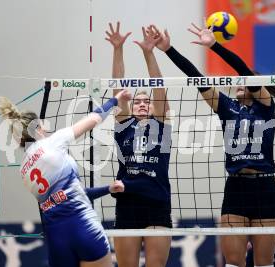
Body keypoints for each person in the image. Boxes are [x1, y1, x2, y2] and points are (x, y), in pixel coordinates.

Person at [150, 21, 275, 267]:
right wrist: (168, 49)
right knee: (233, 261)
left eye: (244, 81)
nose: (238, 83)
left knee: (264, 263)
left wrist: (214, 45)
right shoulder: (227, 108)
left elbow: (242, 69)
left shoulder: (266, 107)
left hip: (264, 188)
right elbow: (197, 78)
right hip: (236, 188)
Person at [0, 89, 131, 267]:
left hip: (56, 239)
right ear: (38, 128)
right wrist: (115, 100)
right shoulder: (53, 142)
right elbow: (95, 118)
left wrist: (107, 189)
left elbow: (65, 196)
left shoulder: (23, 171)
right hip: (84, 227)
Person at [105, 22, 172, 267]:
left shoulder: (162, 125)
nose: (143, 104)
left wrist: (148, 52)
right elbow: (118, 87)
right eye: (137, 102)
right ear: (131, 108)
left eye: (147, 101)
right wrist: (118, 49)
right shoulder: (124, 125)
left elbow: (160, 88)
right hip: (128, 202)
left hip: (157, 203)